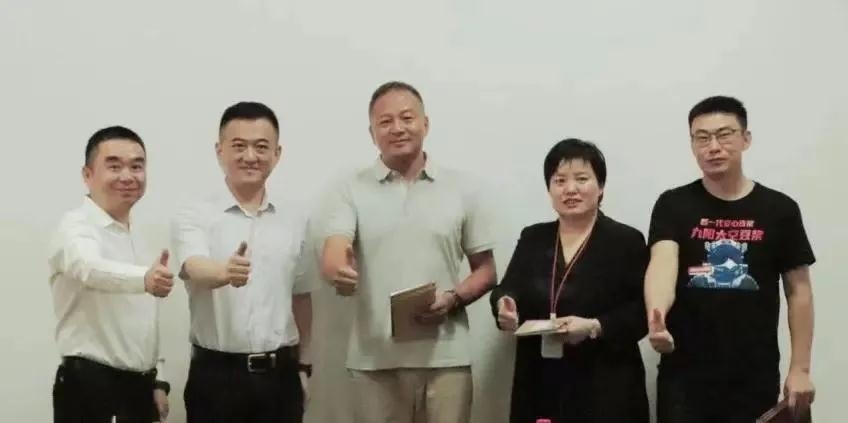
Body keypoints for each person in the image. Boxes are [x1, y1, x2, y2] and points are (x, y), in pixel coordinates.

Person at [319, 81, 497, 423]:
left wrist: (453, 298)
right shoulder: (350, 188)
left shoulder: (462, 188)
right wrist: (338, 271)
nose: (397, 128)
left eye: (406, 118)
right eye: (385, 122)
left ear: (425, 124)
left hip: (447, 360)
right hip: (374, 362)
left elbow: (487, 271)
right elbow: (334, 251)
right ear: (371, 133)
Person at [644, 95, 816, 422]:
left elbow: (799, 291)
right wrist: (657, 313)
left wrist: (800, 369)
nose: (713, 147)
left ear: (745, 139)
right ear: (692, 144)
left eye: (724, 135)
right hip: (684, 376)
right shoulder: (673, 204)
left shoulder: (779, 209)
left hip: (754, 374)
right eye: (702, 138)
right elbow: (663, 262)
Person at [490, 138, 650, 423]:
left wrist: (594, 327)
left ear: (601, 186)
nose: (570, 189)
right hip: (541, 378)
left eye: (582, 179)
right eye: (560, 180)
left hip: (606, 381)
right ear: (549, 189)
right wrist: (504, 304)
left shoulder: (626, 241)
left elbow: (641, 311)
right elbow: (508, 287)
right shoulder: (533, 237)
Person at [172, 101, 313, 423]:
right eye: (239, 146)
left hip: (281, 376)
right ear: (219, 151)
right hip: (217, 376)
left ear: (277, 154)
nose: (250, 156)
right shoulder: (194, 213)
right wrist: (223, 272)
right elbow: (193, 266)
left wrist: (305, 365)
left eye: (261, 147)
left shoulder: (296, 219)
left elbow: (301, 295)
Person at [48, 125, 172, 423]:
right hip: (89, 386)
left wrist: (158, 379)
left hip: (140, 388)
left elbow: (144, 318)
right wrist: (144, 280)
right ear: (87, 174)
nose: (127, 176)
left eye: (137, 166)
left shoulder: (139, 235)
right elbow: (89, 267)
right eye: (114, 166)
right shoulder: (74, 227)